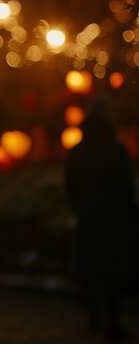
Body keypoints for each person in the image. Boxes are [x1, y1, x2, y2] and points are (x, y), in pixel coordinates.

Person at [65, 99, 135, 342]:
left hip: (87, 216)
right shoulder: (115, 150)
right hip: (113, 218)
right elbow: (127, 185)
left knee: (91, 267)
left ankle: (94, 315)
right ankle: (112, 320)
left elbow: (70, 186)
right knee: (112, 268)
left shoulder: (78, 151)